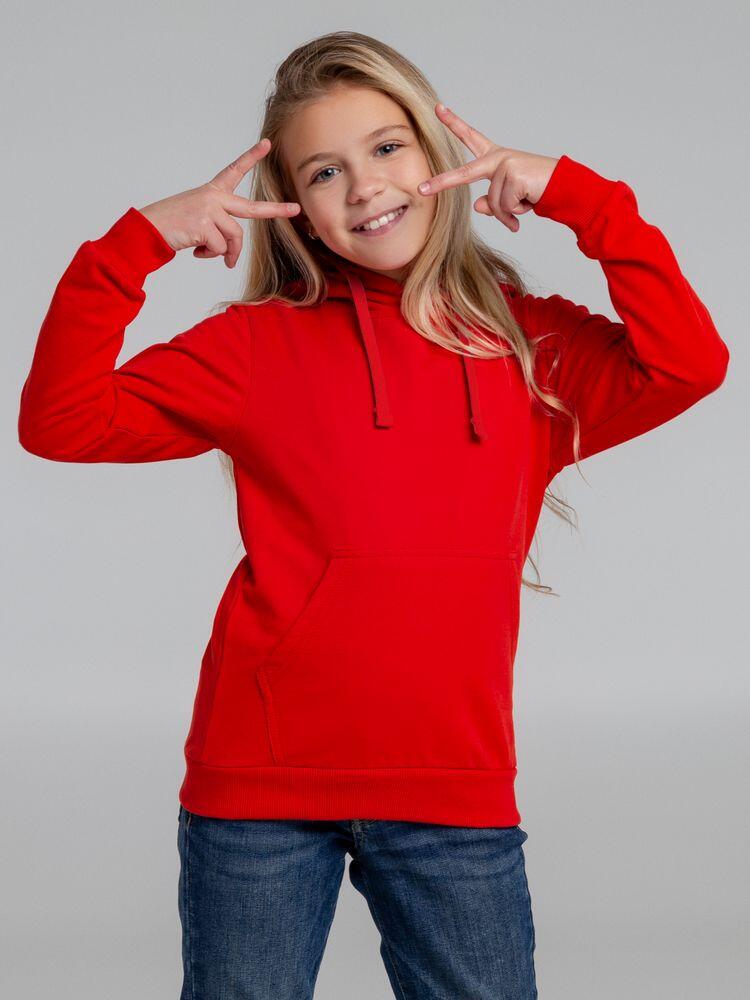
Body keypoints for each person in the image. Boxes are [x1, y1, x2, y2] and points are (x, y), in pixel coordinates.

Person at [17, 29, 729, 1000]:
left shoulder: (531, 348)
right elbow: (60, 421)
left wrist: (581, 198)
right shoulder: (254, 348)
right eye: (325, 171)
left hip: (451, 784)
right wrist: (137, 243)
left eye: (387, 147)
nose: (364, 187)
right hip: (259, 787)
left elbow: (689, 363)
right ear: (296, 209)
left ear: (437, 153)